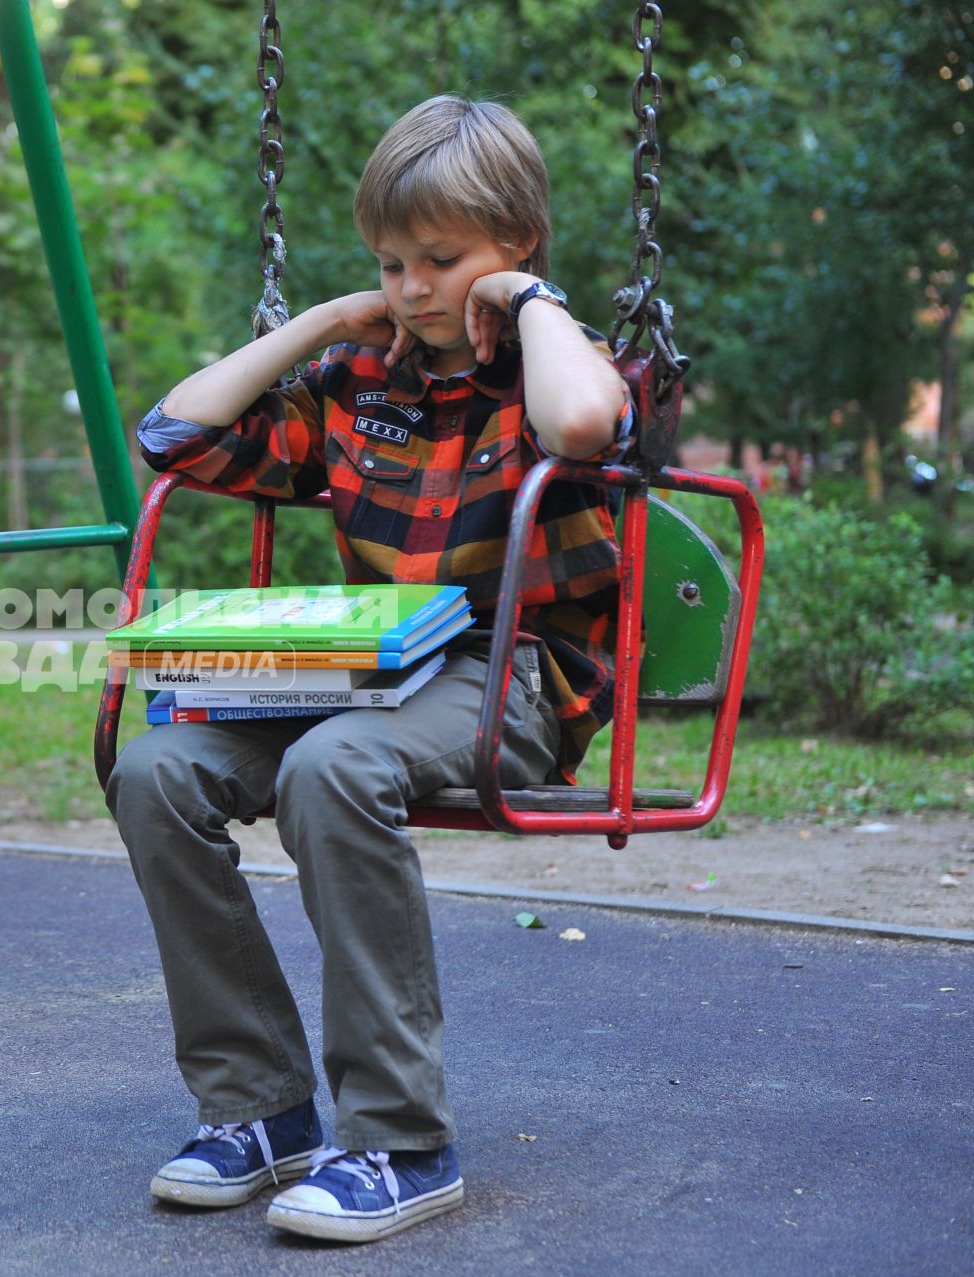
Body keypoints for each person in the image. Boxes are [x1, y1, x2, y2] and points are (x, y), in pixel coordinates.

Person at [107, 96, 632, 1244]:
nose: (412, 287)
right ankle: (261, 1109)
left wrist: (534, 306)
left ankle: (401, 1139)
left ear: (518, 245)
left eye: (442, 260)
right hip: (361, 674)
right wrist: (325, 321)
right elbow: (173, 436)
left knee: (335, 768)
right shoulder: (363, 383)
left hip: (509, 676)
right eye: (392, 263)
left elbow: (587, 425)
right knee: (156, 768)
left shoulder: (562, 361)